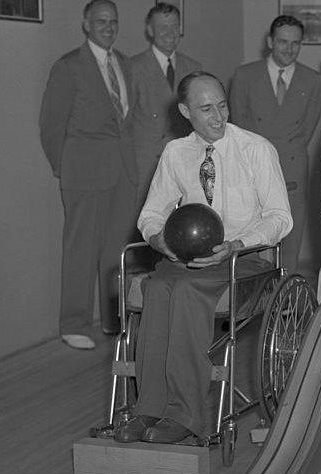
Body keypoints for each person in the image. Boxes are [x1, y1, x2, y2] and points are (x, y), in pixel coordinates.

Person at [114, 72, 292, 444]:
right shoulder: (176, 152)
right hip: (186, 256)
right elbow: (150, 214)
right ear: (184, 111)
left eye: (222, 105)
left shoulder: (256, 149)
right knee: (158, 288)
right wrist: (157, 238)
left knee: (188, 292)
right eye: (206, 108)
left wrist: (237, 244)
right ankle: (148, 408)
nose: (218, 117)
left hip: (245, 258)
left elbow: (280, 218)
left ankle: (184, 415)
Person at [39, 0, 137, 350]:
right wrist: (66, 168)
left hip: (123, 172)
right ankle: (74, 323)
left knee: (118, 251)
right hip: (84, 172)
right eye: (100, 21)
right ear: (85, 24)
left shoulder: (124, 63)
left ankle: (114, 319)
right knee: (81, 249)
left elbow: (129, 120)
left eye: (113, 21)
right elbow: (51, 125)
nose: (108, 27)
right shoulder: (69, 66)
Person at [229, 16, 321, 278]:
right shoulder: (244, 75)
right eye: (282, 42)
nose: (289, 49)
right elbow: (239, 127)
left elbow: (306, 131)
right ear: (270, 41)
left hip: (292, 171)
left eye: (295, 43)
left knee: (289, 242)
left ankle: (286, 306)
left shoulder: (312, 80)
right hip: (252, 171)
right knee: (253, 243)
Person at [128, 3, 203, 204]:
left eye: (175, 27)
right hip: (146, 168)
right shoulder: (132, 68)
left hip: (185, 165)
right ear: (150, 30)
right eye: (163, 27)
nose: (170, 33)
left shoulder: (194, 68)